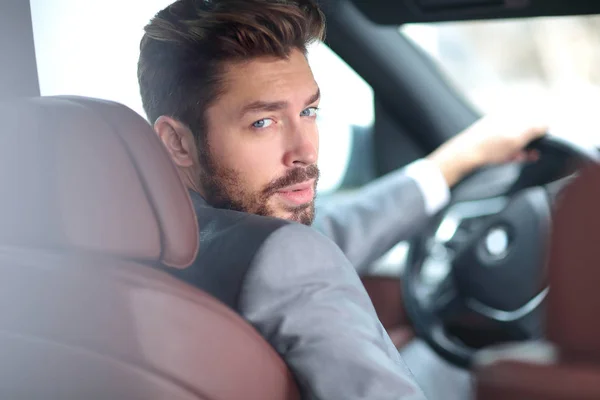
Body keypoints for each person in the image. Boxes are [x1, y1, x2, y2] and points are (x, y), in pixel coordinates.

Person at [137, 0, 546, 398]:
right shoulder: (282, 257)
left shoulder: (144, 239)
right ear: (177, 142)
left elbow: (315, 238)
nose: (305, 150)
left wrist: (455, 161)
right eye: (263, 121)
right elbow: (292, 257)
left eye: (309, 112)